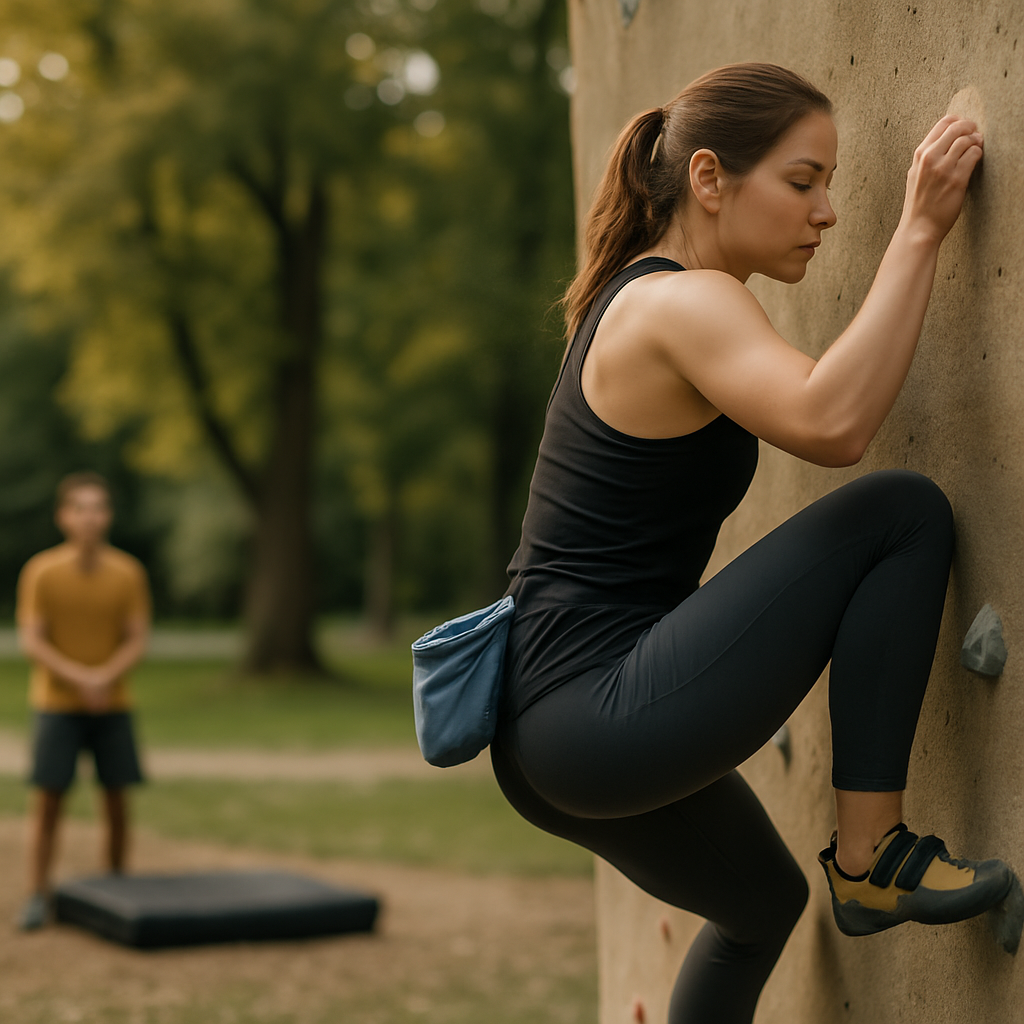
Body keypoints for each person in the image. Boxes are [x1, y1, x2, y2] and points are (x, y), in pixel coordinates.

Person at [489, 63, 1011, 1024]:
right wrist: (924, 227)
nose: (825, 213)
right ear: (709, 178)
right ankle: (873, 859)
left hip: (543, 741)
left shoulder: (642, 297)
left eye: (830, 187)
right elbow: (833, 422)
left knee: (759, 908)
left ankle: (857, 875)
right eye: (802, 181)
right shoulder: (680, 302)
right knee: (896, 512)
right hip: (588, 710)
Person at [15, 471, 150, 930]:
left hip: (112, 705)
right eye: (82, 508)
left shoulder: (128, 573)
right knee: (49, 801)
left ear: (108, 516)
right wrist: (82, 678)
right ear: (64, 517)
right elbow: (33, 640)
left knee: (116, 800)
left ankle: (119, 890)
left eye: (99, 508)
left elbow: (136, 638)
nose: (91, 517)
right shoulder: (42, 572)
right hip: (57, 705)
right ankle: (37, 893)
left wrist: (106, 678)